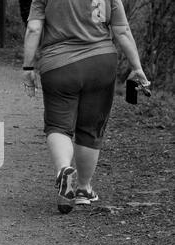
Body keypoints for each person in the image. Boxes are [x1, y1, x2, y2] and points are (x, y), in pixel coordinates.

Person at [22, 0, 150, 214]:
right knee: (91, 128)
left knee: (58, 126)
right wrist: (137, 67)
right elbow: (123, 31)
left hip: (58, 65)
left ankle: (64, 170)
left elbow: (34, 28)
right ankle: (83, 189)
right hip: (100, 63)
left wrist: (28, 67)